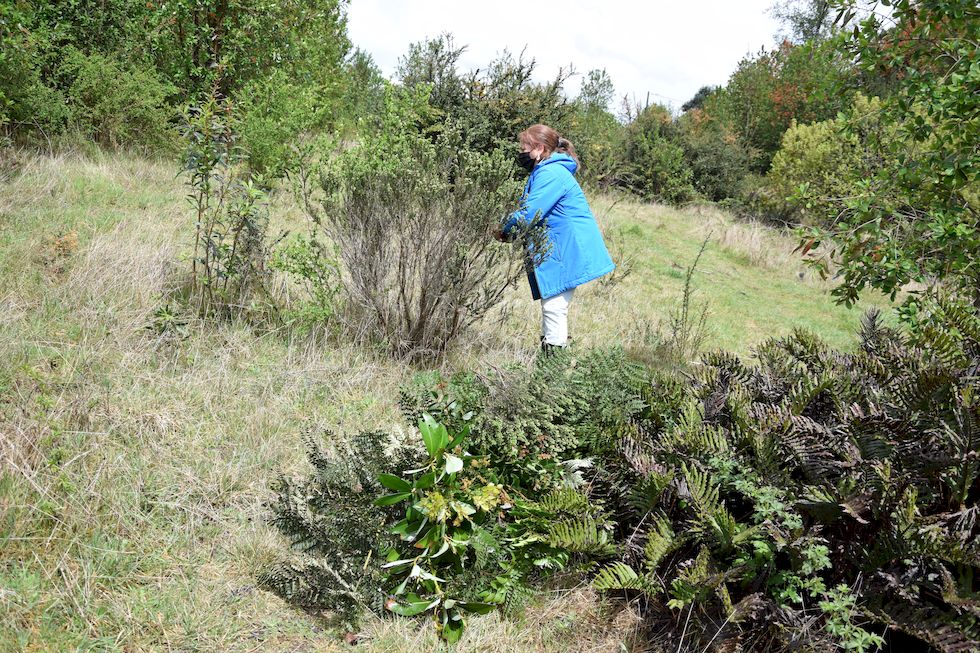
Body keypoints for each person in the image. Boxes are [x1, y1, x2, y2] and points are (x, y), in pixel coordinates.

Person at [495, 124, 615, 352]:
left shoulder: (551, 173)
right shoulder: (547, 171)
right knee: (553, 305)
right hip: (562, 248)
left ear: (539, 148)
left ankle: (551, 373)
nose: (522, 153)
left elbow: (530, 212)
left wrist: (505, 229)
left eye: (525, 148)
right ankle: (550, 366)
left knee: (554, 306)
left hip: (568, 250)